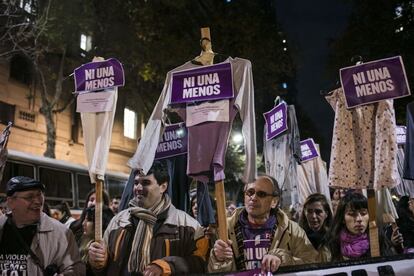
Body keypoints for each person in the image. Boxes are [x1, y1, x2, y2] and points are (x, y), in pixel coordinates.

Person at [88, 161, 208, 275]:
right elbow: (103, 266)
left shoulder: (188, 225)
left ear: (163, 187)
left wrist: (167, 266)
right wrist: (98, 261)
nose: (138, 188)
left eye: (146, 183)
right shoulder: (118, 221)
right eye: (136, 183)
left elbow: (200, 263)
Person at [208, 175, 316, 274]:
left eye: (261, 194)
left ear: (274, 201)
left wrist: (282, 259)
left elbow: (312, 264)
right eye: (250, 192)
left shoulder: (293, 230)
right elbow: (214, 272)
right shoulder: (224, 229)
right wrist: (218, 259)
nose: (253, 198)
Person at [0, 176, 85, 275]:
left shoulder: (61, 233)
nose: (38, 202)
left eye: (39, 195)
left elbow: (76, 270)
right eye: (29, 197)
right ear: (11, 202)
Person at [328, 192, 396, 260]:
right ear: (342, 218)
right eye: (352, 214)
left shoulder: (377, 237)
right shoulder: (334, 242)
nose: (359, 219)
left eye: (363, 213)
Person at [79, 206, 114, 275]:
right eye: (84, 219)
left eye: (88, 220)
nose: (83, 223)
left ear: (101, 223)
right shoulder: (82, 240)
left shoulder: (104, 247)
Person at [299, 193, 333, 262]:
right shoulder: (297, 238)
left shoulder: (334, 238)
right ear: (305, 213)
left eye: (318, 212)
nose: (313, 216)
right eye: (309, 211)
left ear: (326, 214)